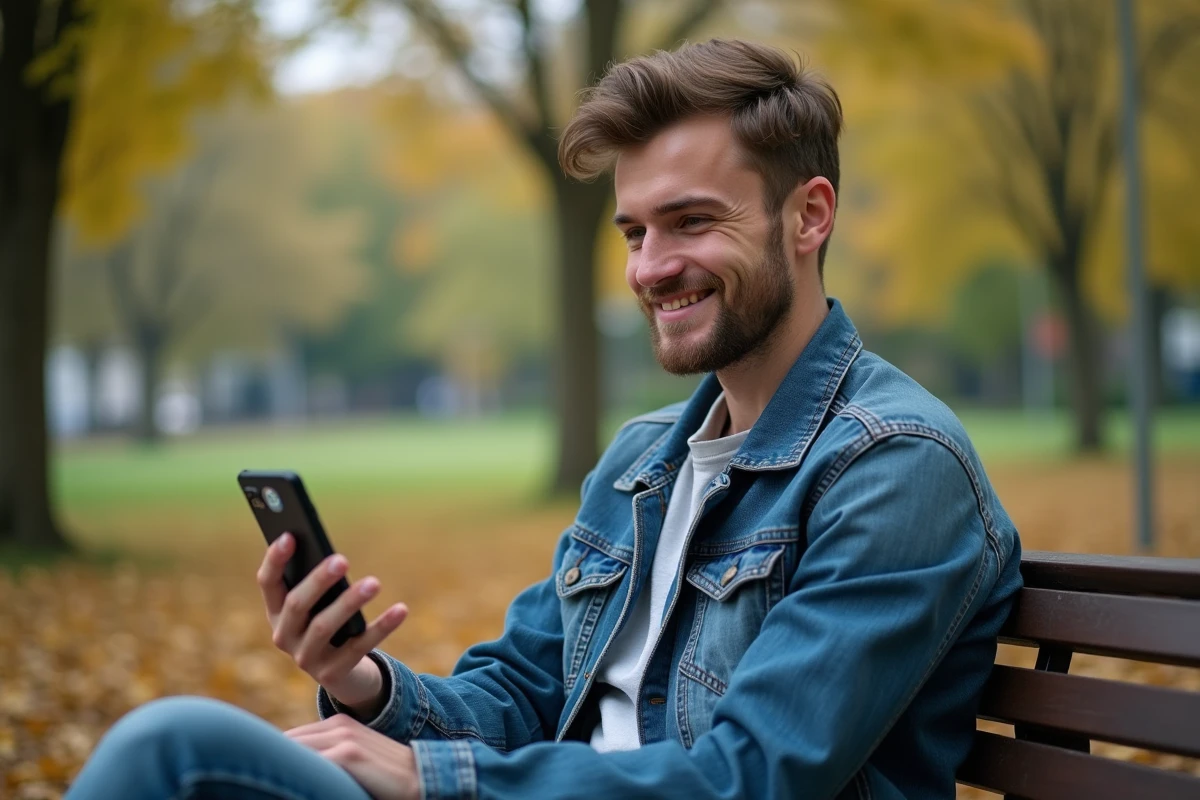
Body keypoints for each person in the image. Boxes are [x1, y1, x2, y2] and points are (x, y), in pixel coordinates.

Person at [67, 38, 1022, 800]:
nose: (650, 268)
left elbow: (755, 776)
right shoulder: (645, 460)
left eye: (692, 222)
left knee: (175, 751)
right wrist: (367, 687)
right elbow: (524, 692)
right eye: (635, 232)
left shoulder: (894, 466)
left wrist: (429, 779)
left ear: (809, 216)